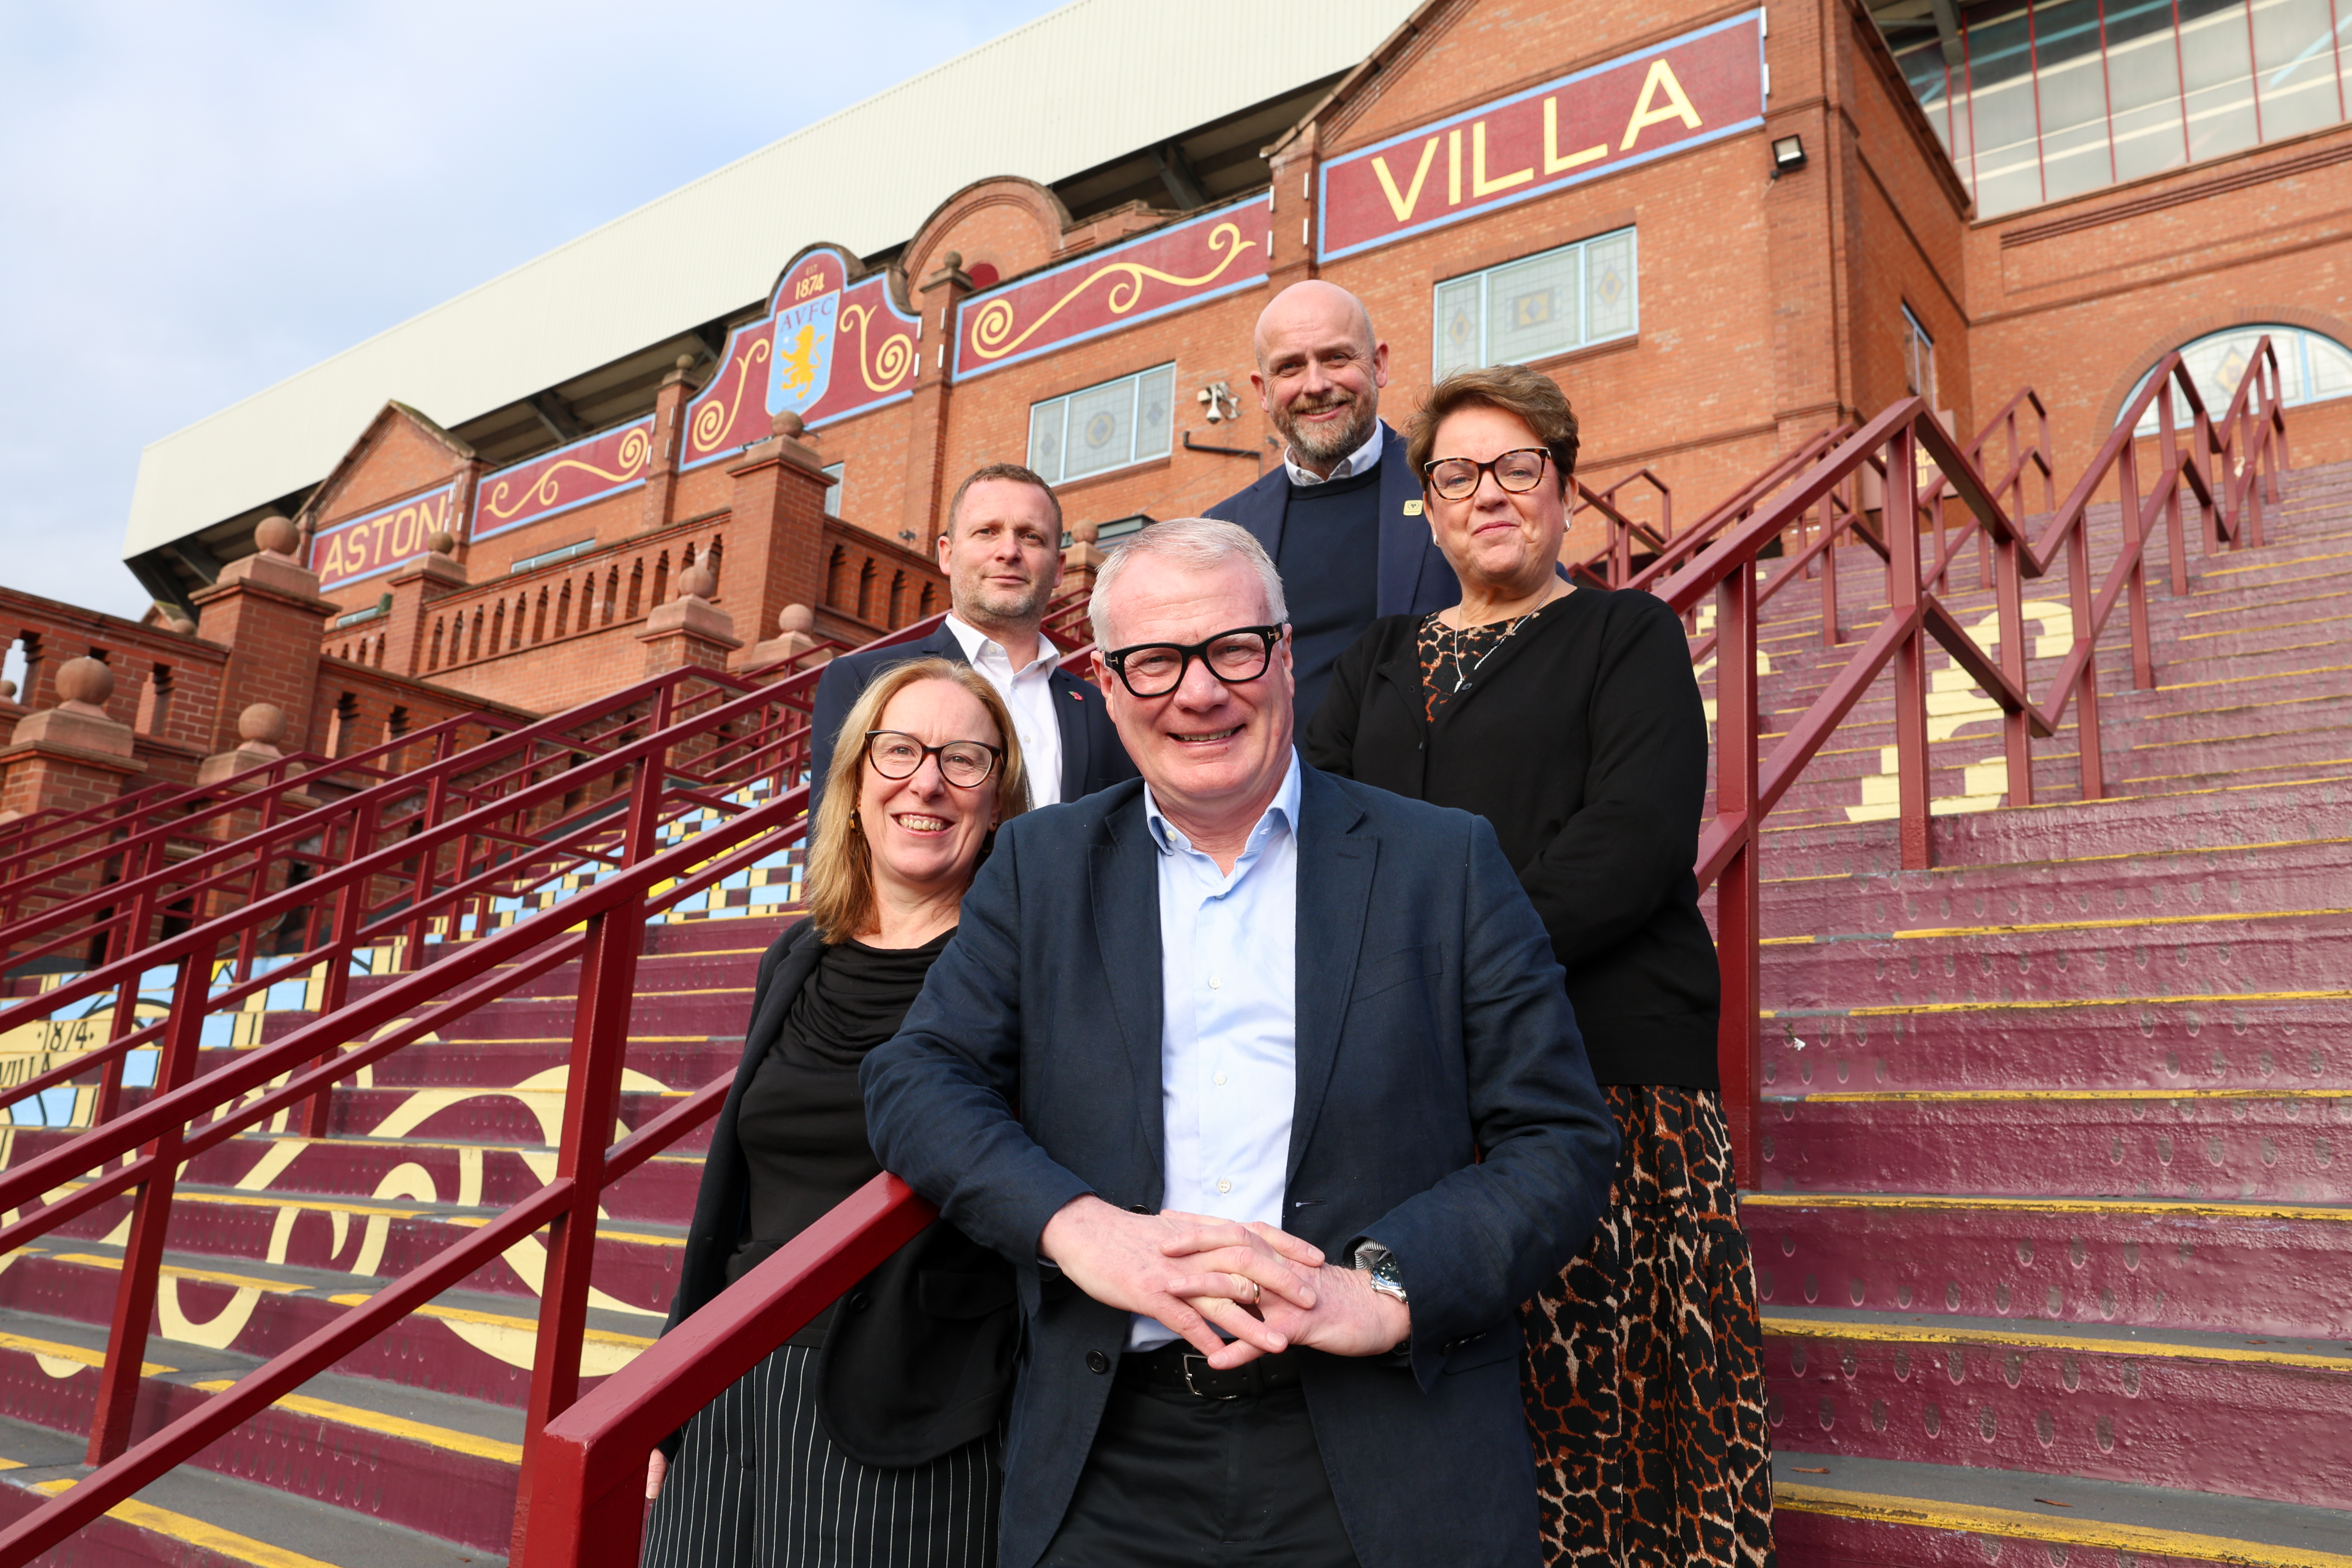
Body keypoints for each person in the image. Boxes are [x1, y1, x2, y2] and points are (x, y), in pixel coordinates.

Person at [861, 518, 1621, 1568]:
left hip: (1385, 1445)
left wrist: (1382, 1290)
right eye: (1155, 662)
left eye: (1232, 649)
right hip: (1107, 1454)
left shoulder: (1442, 862)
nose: (1200, 692)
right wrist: (1079, 1229)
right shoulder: (1042, 865)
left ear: (1287, 653)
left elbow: (1562, 1143)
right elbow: (916, 1078)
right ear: (1109, 684)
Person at [1303, 364, 1775, 1567]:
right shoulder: (1369, 664)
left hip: (1603, 1077)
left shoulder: (1627, 633)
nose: (1489, 494)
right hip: (1412, 1090)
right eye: (1457, 474)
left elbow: (1626, 847)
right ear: (1428, 504)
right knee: (1451, 1422)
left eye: (1520, 467)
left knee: (1609, 1417)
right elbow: (1307, 838)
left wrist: (1441, 980)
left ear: (1563, 490)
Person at [642, 657, 1030, 1568]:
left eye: (963, 760)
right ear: (855, 782)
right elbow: (729, 1198)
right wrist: (668, 1378)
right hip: (731, 1371)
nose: (926, 781)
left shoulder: (1014, 969)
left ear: (999, 801)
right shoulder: (797, 952)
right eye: (898, 752)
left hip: (910, 1395)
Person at [809, 462, 1134, 816]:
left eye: (1031, 537)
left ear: (1059, 568)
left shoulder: (1106, 709)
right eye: (986, 532)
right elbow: (833, 843)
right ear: (947, 554)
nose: (1009, 551)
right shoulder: (864, 681)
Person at [1205, 281, 1459, 720]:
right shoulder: (1223, 531)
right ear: (1263, 391)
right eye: (1289, 367)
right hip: (1284, 787)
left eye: (1336, 358)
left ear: (1379, 364)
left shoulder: (1455, 484)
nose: (1316, 384)